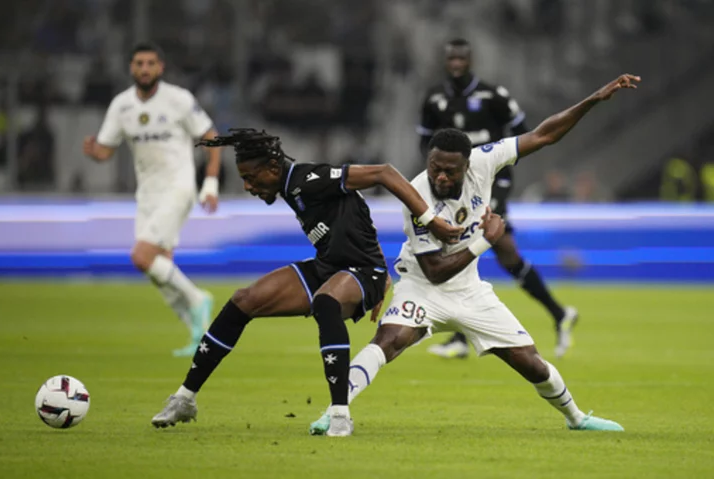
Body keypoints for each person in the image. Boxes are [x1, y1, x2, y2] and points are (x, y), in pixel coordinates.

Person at [310, 74, 640, 436]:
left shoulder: (486, 160)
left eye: (450, 171)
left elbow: (544, 135)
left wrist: (592, 98)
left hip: (470, 291)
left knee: (529, 362)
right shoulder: (416, 193)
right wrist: (487, 241)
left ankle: (577, 418)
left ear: (468, 165)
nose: (441, 177)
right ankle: (334, 410)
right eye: (435, 167)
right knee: (388, 342)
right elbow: (435, 271)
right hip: (423, 287)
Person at [150, 128, 464, 436]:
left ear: (273, 168)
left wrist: (430, 220)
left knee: (325, 302)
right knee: (243, 301)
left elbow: (384, 173)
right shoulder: (289, 187)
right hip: (329, 267)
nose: (247, 186)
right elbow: (355, 217)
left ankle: (340, 415)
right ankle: (184, 398)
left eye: (251, 177)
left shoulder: (309, 179)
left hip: (362, 271)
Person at [419, 38, 578, 359]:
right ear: (445, 60)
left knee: (471, 249)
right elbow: (424, 144)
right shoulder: (434, 99)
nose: (456, 63)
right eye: (451, 58)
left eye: (461, 58)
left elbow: (524, 133)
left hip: (491, 183)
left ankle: (464, 338)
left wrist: (497, 172)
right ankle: (559, 314)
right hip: (453, 187)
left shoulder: (493, 95)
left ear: (470, 59)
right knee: (502, 255)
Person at [83, 42, 221, 357]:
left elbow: (212, 137)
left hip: (178, 186)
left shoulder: (179, 99)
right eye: (138, 63)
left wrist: (210, 182)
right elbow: (106, 149)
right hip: (147, 194)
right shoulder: (121, 106)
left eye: (150, 63)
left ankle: (199, 300)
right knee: (159, 268)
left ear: (160, 67)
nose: (144, 69)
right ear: (131, 68)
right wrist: (94, 151)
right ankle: (197, 335)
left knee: (141, 256)